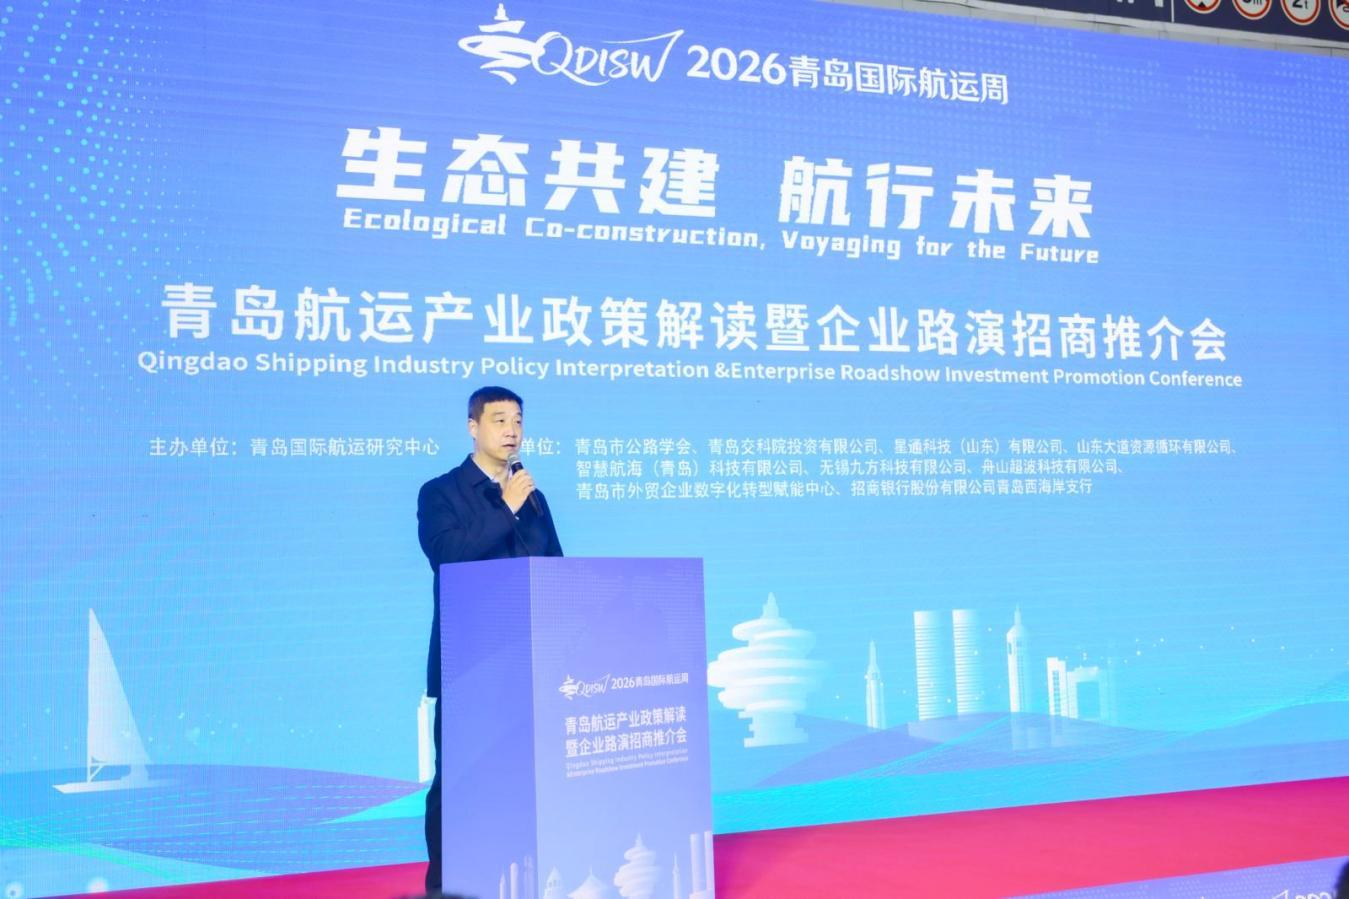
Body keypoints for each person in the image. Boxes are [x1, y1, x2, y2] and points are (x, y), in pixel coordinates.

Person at [416, 385, 564, 895]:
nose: (512, 430)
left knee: (526, 780)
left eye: (518, 420)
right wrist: (505, 507)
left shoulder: (533, 496)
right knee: (459, 784)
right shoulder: (441, 492)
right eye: (500, 420)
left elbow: (556, 569)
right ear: (472, 427)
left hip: (530, 663)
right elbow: (446, 557)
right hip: (470, 665)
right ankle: (446, 885)